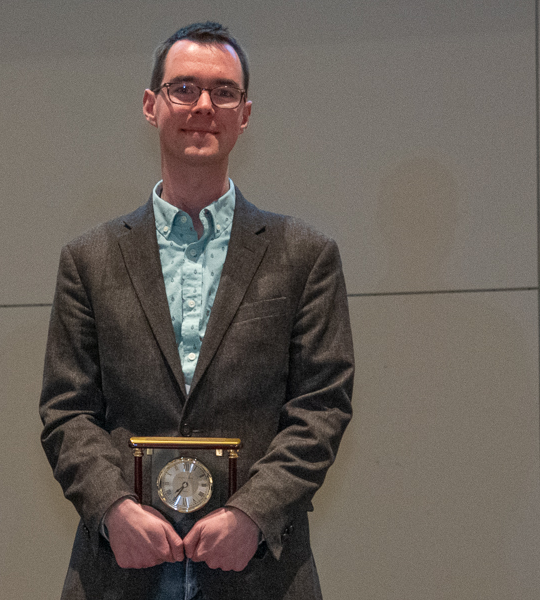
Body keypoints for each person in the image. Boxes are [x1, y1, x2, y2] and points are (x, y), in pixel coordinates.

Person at [39, 21, 355, 600]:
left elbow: (321, 410)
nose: (203, 105)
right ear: (151, 105)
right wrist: (111, 510)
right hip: (120, 568)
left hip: (259, 570)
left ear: (246, 113)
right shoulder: (89, 259)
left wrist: (254, 514)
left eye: (224, 91)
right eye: (184, 88)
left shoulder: (304, 256)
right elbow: (66, 412)